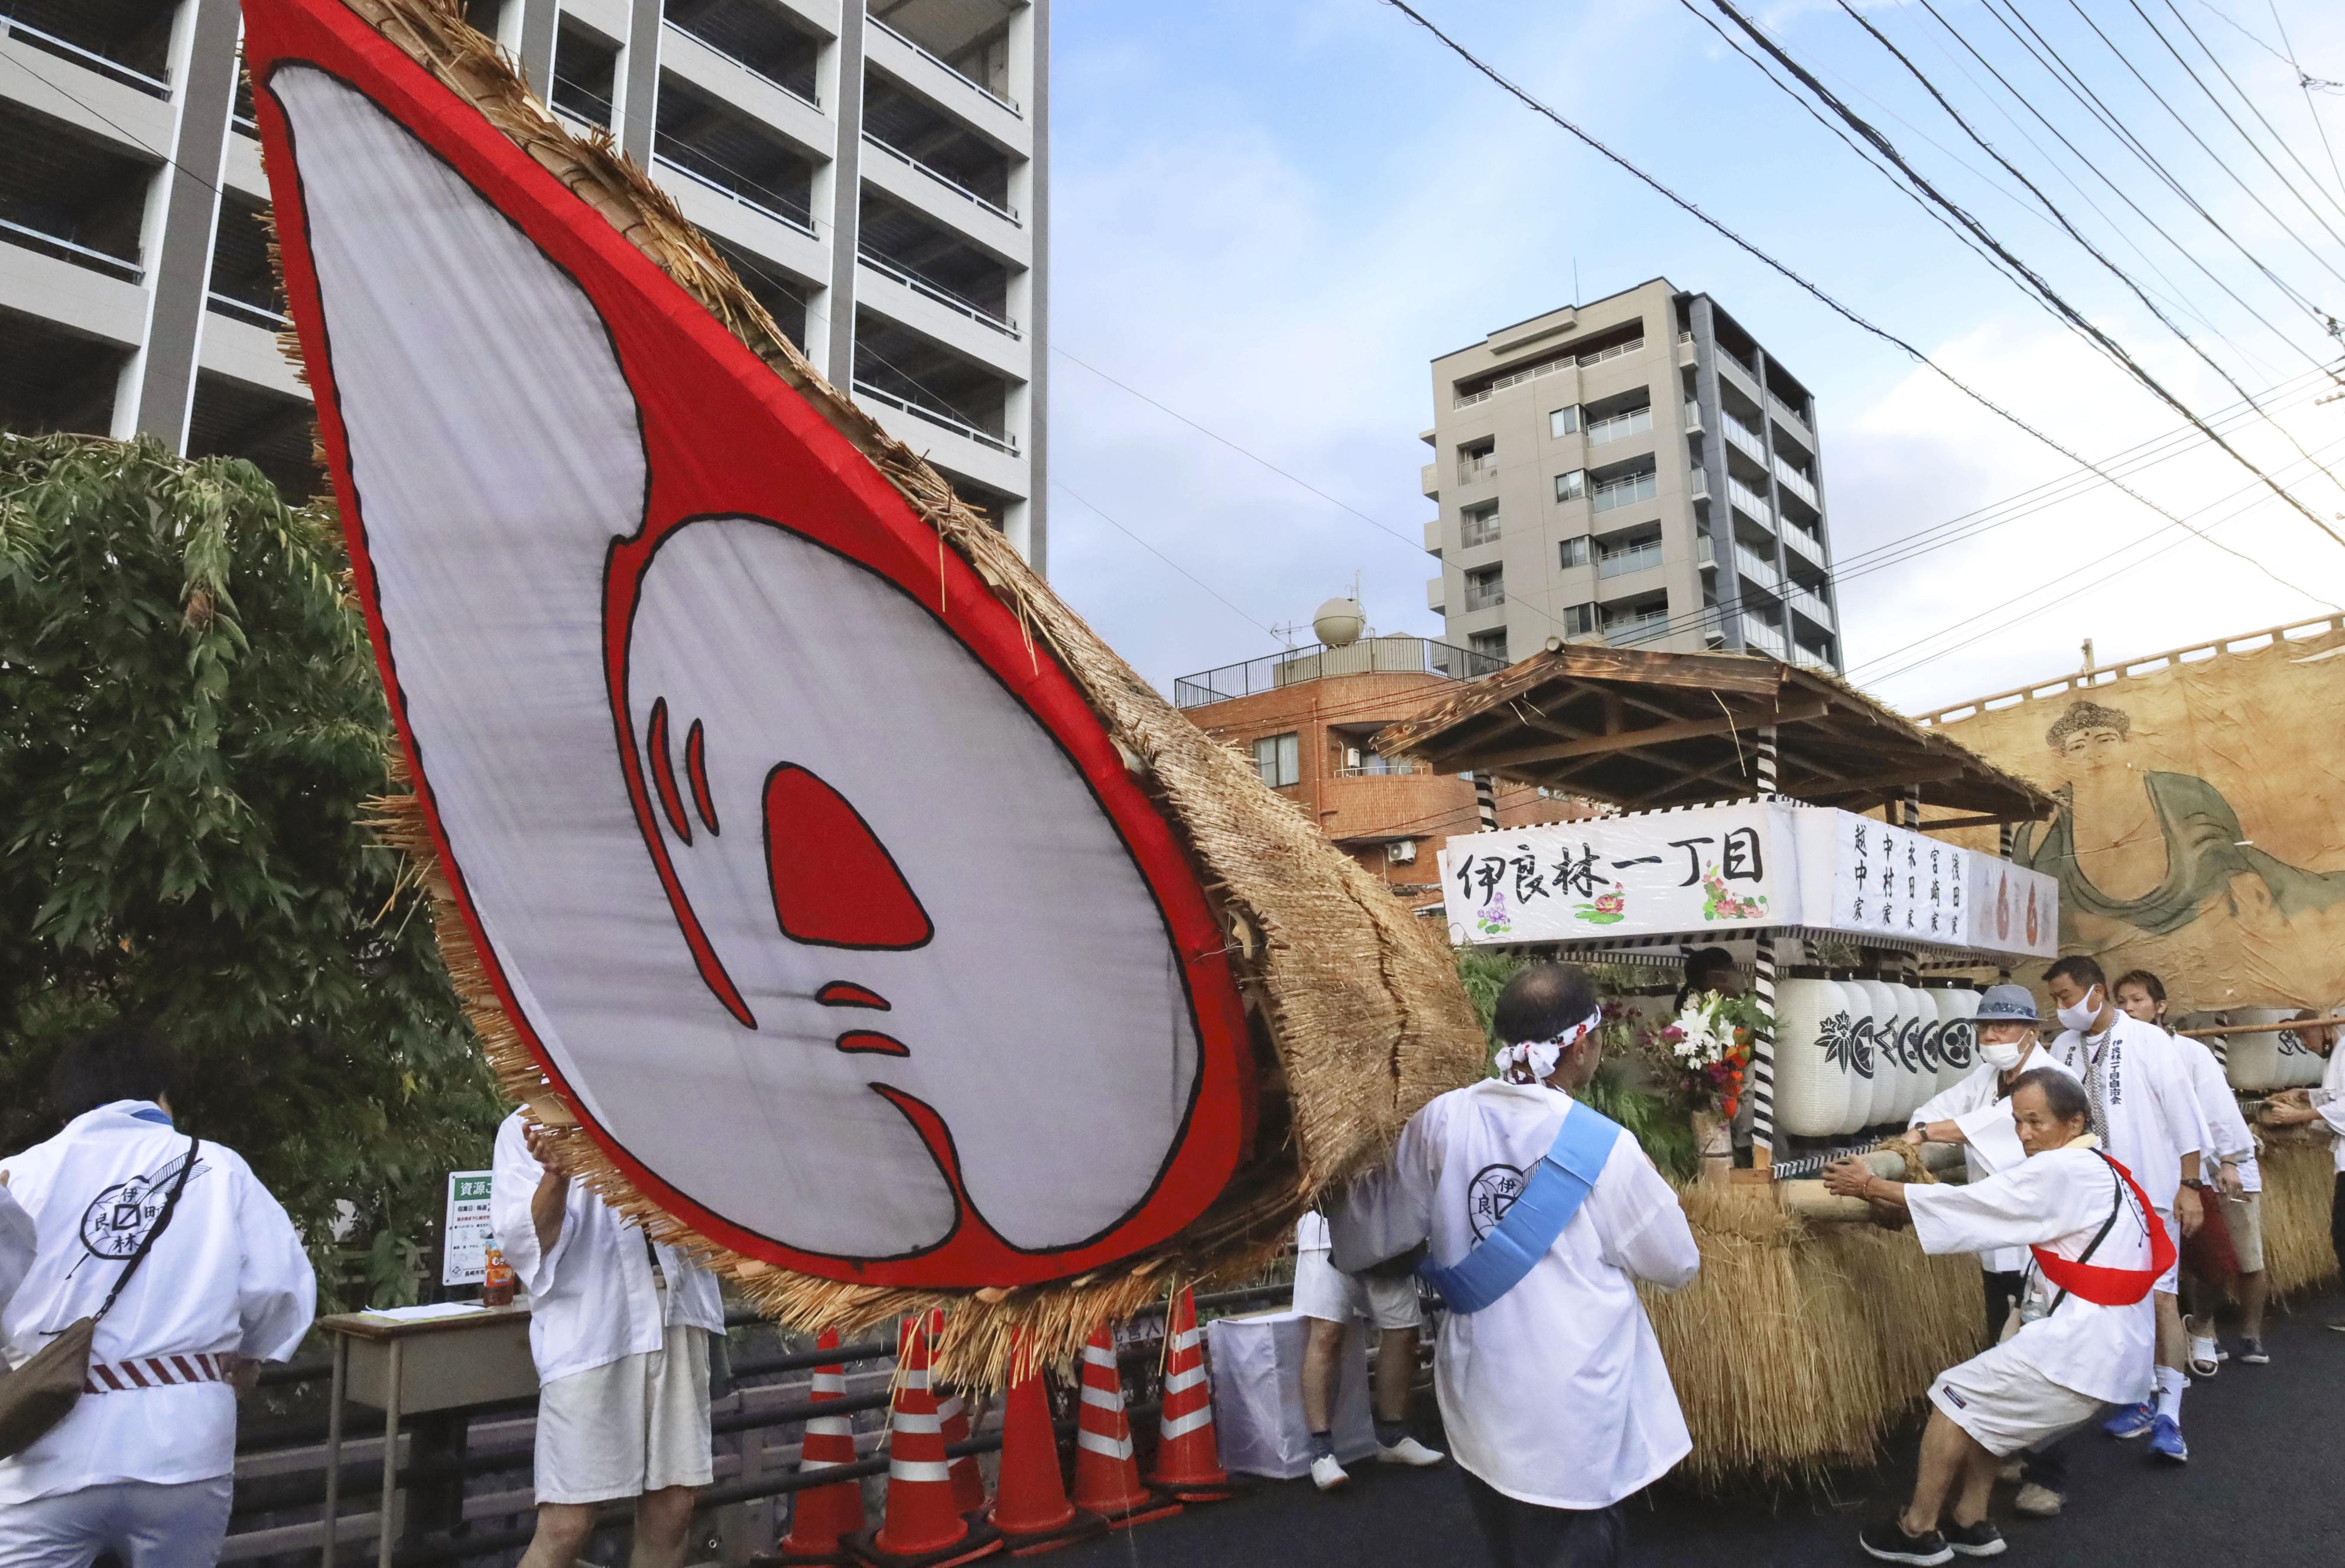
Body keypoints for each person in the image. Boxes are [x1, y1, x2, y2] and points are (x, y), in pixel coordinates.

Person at [1333, 962, 1700, 1567]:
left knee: (1506, 1544)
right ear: (1580, 1045)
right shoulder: (1605, 1146)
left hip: (1480, 1392)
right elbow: (1675, 1263)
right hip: (1572, 1405)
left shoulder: (1442, 1119)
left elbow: (1368, 1235)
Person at [0, 1021, 316, 1568]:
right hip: (184, 1445)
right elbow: (276, 1291)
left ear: (67, 1104)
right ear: (162, 1096)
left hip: (44, 1447)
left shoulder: (18, 1175)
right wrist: (250, 1357)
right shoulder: (218, 1167)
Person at [1827, 1069, 2164, 1565]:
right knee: (1987, 1408)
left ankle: (1917, 1528)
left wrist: (1871, 1183)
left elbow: (1976, 1203)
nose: (2025, 1134)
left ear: (2074, 1122)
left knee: (1952, 1394)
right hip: (2114, 1344)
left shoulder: (2061, 1170)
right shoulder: (2103, 1167)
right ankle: (1971, 1520)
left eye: (2036, 1121)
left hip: (2082, 1344)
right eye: (2017, 1122)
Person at [491, 1109, 727, 1568]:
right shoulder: (526, 1125)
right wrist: (557, 1174)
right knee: (567, 1523)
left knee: (674, 1510)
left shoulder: (663, 1100)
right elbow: (524, 1245)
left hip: (679, 1310)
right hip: (591, 1328)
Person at [2039, 955, 2207, 1464]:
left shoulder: (2148, 1041)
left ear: (2097, 991)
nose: (2061, 1008)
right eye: (2055, 1000)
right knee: (2115, 1298)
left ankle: (2170, 1416)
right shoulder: (2064, 1047)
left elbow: (2184, 1116)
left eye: (2066, 997)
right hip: (2095, 1196)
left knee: (2160, 1299)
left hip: (2153, 1193)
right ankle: (2135, 1398)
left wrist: (2190, 1185)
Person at [1902, 985, 2080, 1341]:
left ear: (2033, 1032)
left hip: (2042, 1217)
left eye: (2002, 1026)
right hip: (1998, 1222)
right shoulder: (1989, 1075)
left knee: (2040, 1325)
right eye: (1984, 1028)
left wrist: (1925, 1133)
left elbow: (1993, 1123)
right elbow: (1936, 1111)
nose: (1991, 1036)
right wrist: (1922, 1128)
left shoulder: (2052, 1079)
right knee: (2001, 1315)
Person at [2110, 971, 2264, 1368]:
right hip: (2131, 1180)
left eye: (2138, 999)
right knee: (2150, 1273)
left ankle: (2201, 1323)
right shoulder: (2111, 1053)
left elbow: (2216, 1106)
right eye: (2122, 1001)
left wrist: (2228, 1159)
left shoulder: (2189, 1052)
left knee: (2218, 1263)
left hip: (2186, 1177)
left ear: (2160, 1006)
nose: (2129, 1008)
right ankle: (2158, 1358)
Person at [1290, 1211, 1446, 1490]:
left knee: (1404, 1329)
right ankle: (1322, 1451)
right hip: (1326, 1231)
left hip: (1386, 1232)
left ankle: (1392, 1436)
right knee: (1327, 1333)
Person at [2258, 1009, 2345, 1332]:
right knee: (2341, 1232)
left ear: (2324, 1029)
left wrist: (2298, 1117)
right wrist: (2306, 1094)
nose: (2304, 1044)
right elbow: (2336, 1098)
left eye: (2304, 1036)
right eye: (2297, 1038)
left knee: (2343, 1232)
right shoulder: (2336, 1057)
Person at [1672, 947, 1743, 1012]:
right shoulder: (1691, 1005)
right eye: (1728, 969)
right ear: (1711, 977)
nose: (1734, 973)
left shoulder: (1731, 995)